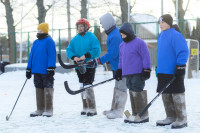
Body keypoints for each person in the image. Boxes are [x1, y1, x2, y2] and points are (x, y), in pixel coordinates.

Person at [87, 13, 127, 119]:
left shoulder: (115, 35)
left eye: (103, 24)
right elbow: (114, 52)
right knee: (117, 87)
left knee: (121, 88)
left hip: (121, 67)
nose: (102, 26)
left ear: (108, 23)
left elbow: (113, 53)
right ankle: (114, 109)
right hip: (116, 66)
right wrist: (109, 61)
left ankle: (119, 111)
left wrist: (99, 60)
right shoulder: (112, 33)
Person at [156, 14, 189, 129]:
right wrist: (157, 67)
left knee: (176, 93)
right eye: (159, 23)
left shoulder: (176, 35)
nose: (161, 25)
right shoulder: (160, 36)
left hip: (173, 71)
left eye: (163, 22)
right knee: (165, 94)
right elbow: (161, 53)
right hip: (163, 71)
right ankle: (170, 116)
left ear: (169, 23)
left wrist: (180, 65)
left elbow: (183, 51)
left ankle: (182, 118)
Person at [115, 22, 151, 123]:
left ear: (129, 33)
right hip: (127, 73)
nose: (122, 37)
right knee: (131, 90)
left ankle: (143, 115)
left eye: (123, 34)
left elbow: (146, 56)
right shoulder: (122, 45)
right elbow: (121, 59)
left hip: (138, 72)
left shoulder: (139, 43)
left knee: (137, 90)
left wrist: (147, 69)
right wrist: (119, 70)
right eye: (121, 35)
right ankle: (135, 113)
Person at [67, 18, 101, 116]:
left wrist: (86, 55)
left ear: (86, 27)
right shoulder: (75, 39)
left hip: (89, 65)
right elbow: (69, 50)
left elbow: (97, 50)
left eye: (82, 26)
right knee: (82, 84)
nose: (80, 28)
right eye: (78, 26)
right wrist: (74, 57)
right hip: (79, 66)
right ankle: (85, 107)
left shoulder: (92, 37)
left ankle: (92, 108)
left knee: (88, 84)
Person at [26, 23, 56, 117]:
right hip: (36, 70)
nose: (39, 31)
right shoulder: (35, 42)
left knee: (48, 86)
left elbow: (52, 54)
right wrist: (28, 68)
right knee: (38, 87)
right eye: (38, 30)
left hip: (46, 70)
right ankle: (40, 109)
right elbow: (31, 56)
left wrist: (51, 66)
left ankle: (48, 109)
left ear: (45, 31)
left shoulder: (49, 41)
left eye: (41, 30)